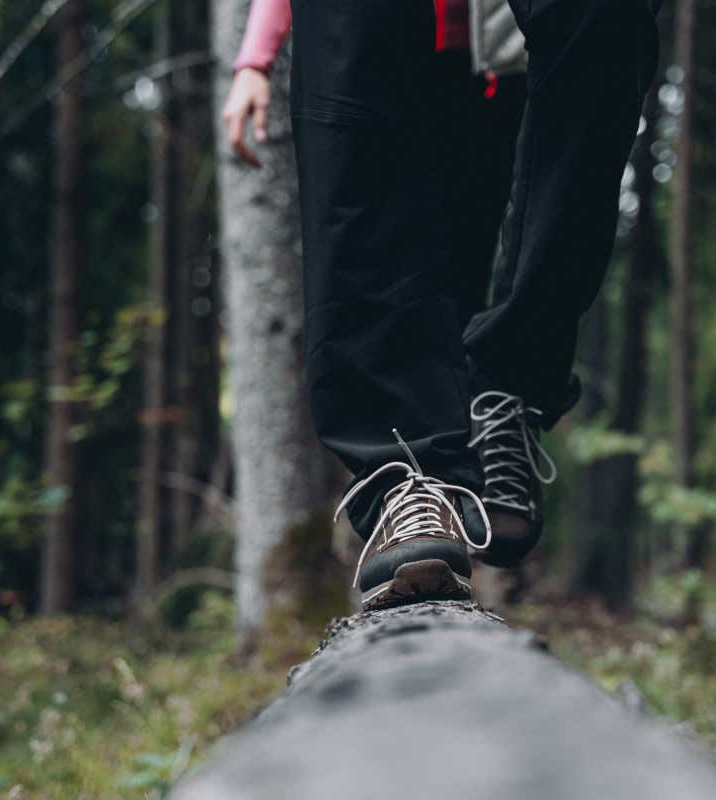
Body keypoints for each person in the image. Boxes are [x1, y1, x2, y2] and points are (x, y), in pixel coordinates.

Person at [223, 0, 659, 610]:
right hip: (396, 62)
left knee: (605, 21)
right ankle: (407, 474)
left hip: (489, 74)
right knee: (354, 101)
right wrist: (255, 55)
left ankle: (508, 386)